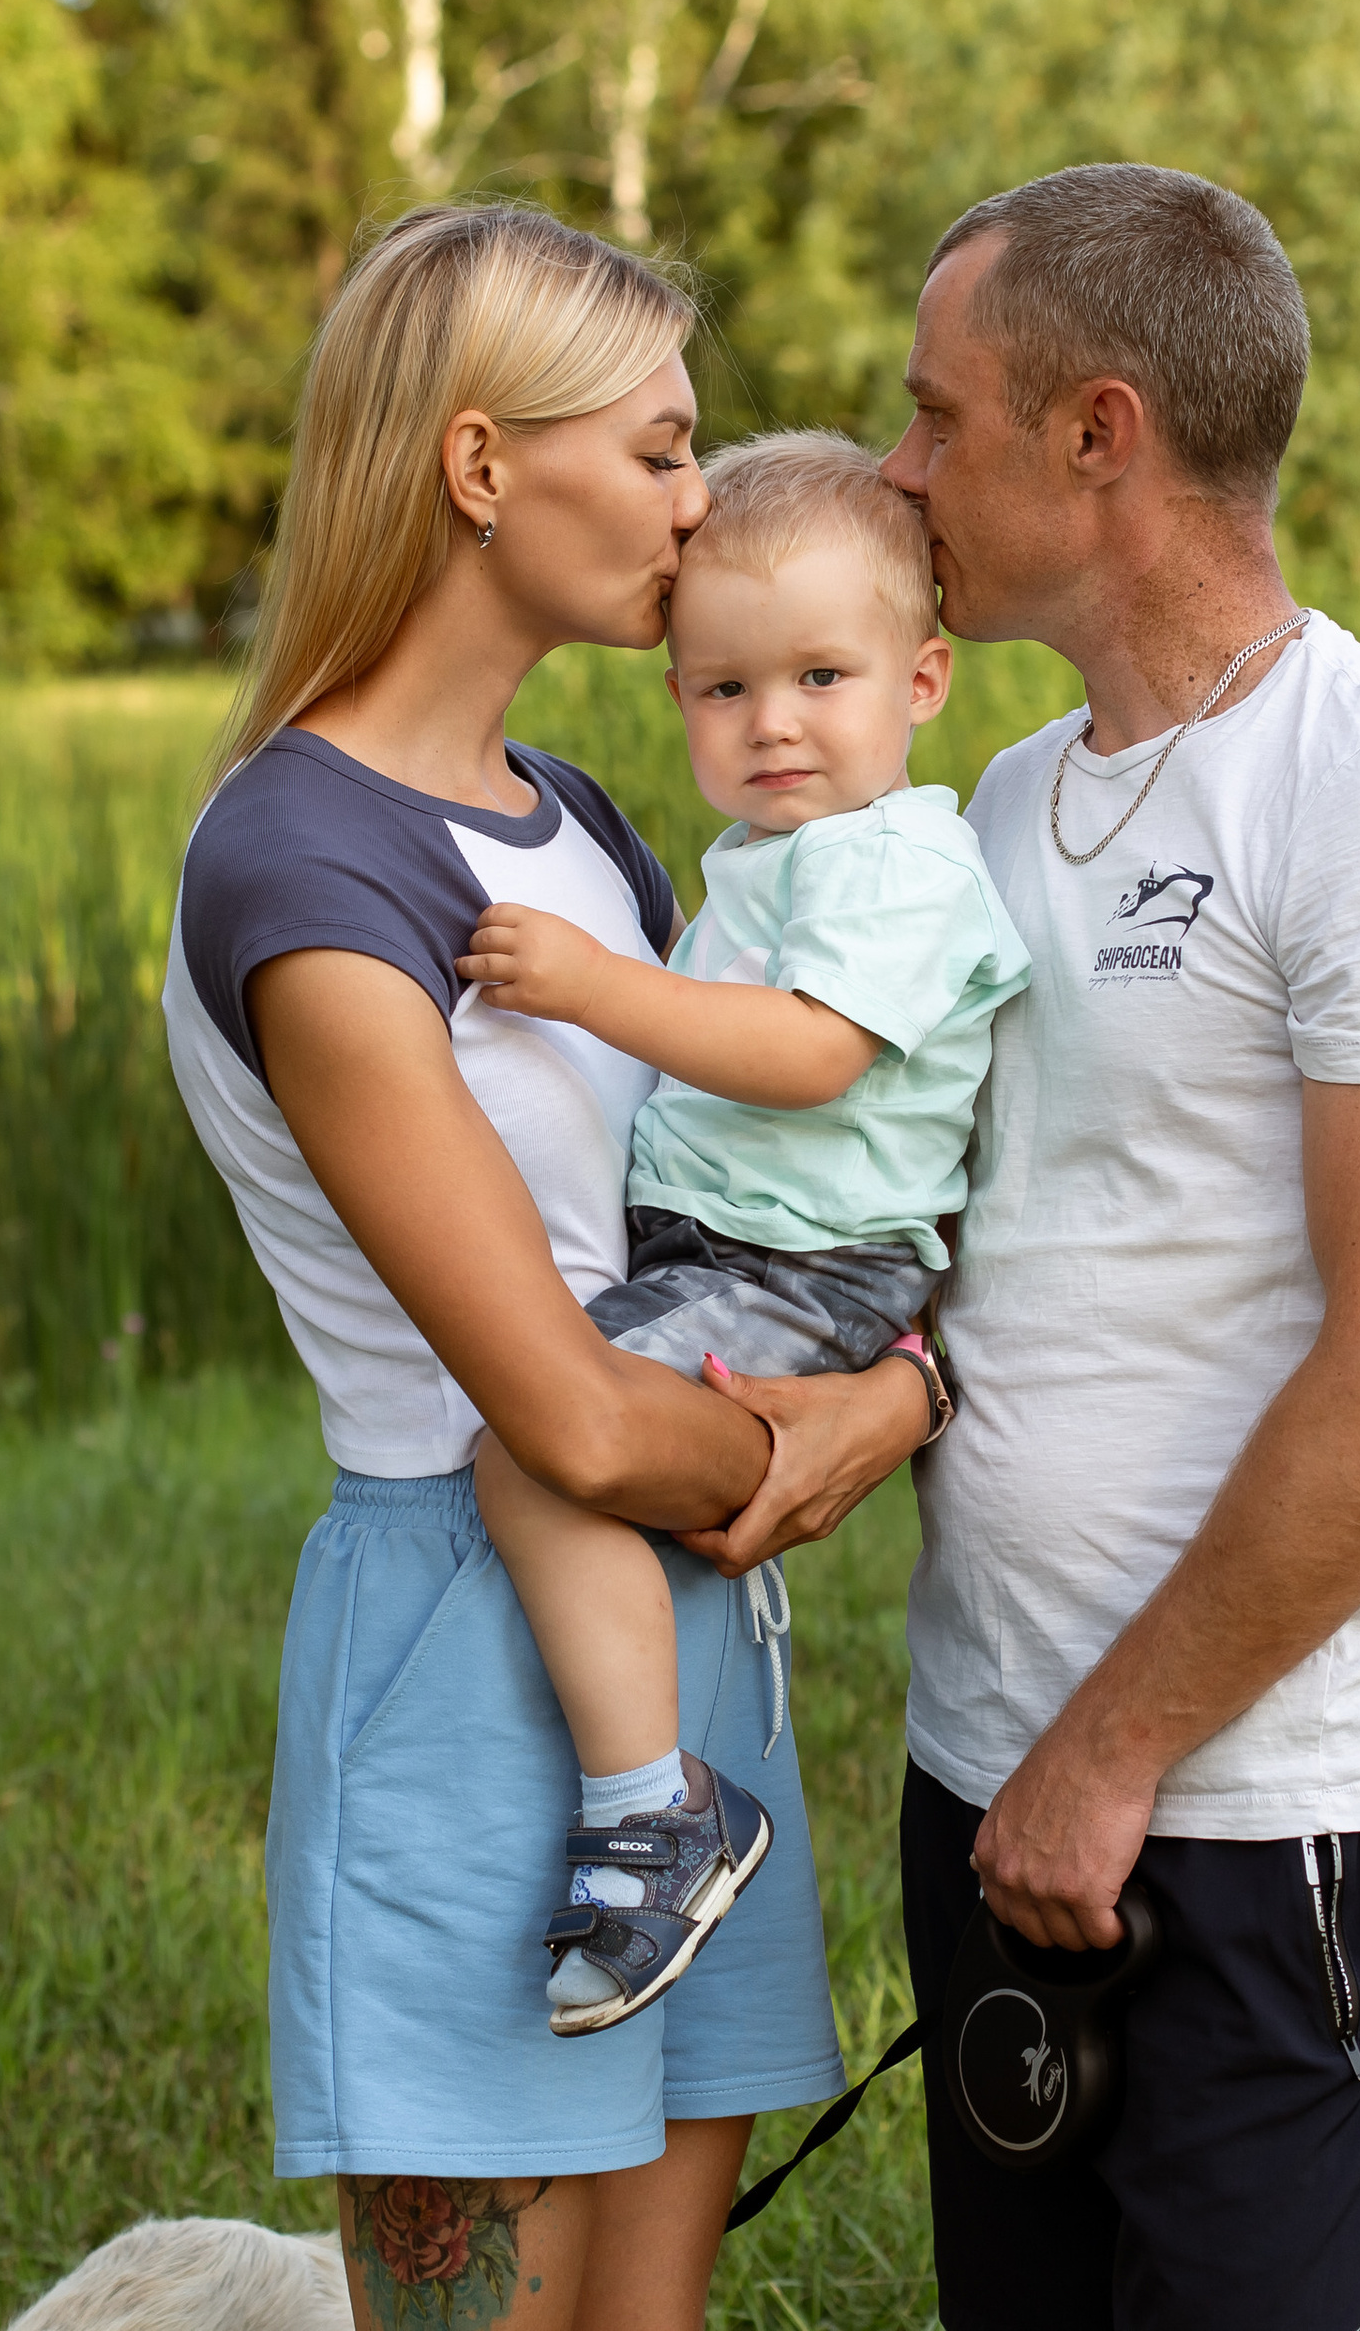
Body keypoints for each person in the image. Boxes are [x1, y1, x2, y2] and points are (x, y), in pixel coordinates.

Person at [714, 160, 1360, 2324]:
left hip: (1265, 1825)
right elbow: (1000, 1233)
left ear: (1097, 433)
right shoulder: (998, 805)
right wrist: (883, 1396)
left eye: (936, 415)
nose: (899, 473)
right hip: (986, 1782)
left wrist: (1109, 1756)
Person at [161, 204, 936, 2331]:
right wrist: (838, 1435)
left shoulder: (585, 821)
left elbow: (792, 1182)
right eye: (661, 449)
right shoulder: (305, 863)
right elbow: (569, 1418)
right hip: (468, 1640)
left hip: (689, 1637)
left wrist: (896, 1389)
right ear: (483, 465)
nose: (699, 506)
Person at [455, 432, 1030, 2034]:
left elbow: (809, 1051)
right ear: (678, 698)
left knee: (537, 1444)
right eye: (725, 689)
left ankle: (656, 1810)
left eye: (821, 677)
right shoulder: (789, 856)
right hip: (738, 1252)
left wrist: (594, 985)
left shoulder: (895, 861)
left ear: (922, 682)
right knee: (558, 1436)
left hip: (805, 1268)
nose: (772, 722)